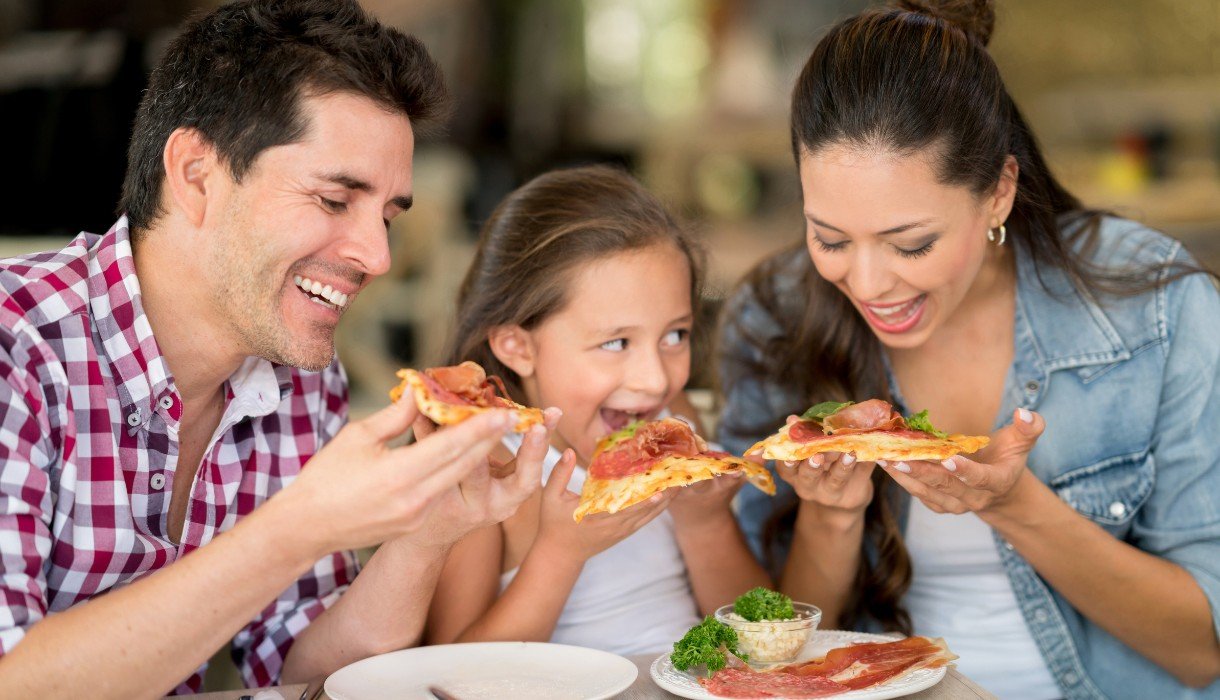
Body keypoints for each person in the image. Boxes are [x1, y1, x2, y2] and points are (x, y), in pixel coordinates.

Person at [0, 1, 555, 696]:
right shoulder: (14, 344)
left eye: (386, 215)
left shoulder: (298, 374)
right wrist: (298, 526)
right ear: (197, 174)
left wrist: (427, 532)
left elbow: (307, 673)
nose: (378, 256)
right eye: (333, 201)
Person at [717, 1, 1220, 698]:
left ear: (999, 193)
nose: (865, 283)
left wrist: (1014, 506)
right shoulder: (772, 319)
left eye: (912, 243)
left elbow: (1204, 652)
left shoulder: (1153, 304)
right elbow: (772, 662)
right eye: (829, 238)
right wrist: (831, 517)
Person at [424, 165, 771, 655]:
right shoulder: (482, 468)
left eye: (676, 335)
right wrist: (561, 552)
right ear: (516, 346)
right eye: (616, 342)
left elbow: (758, 642)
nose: (655, 379)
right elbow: (449, 672)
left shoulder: (673, 420)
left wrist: (705, 522)